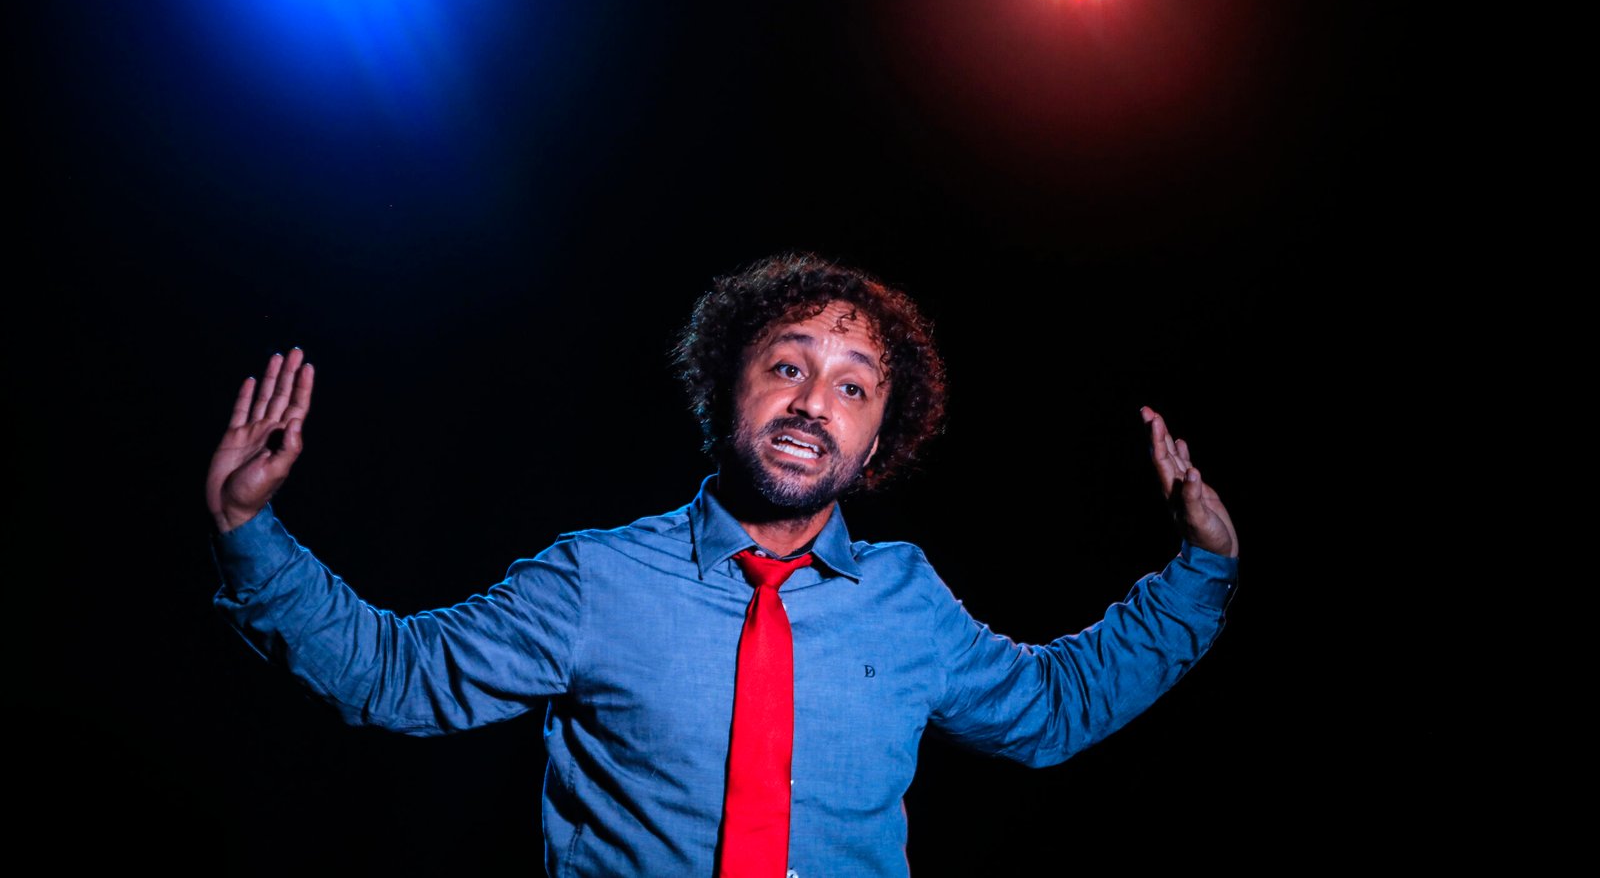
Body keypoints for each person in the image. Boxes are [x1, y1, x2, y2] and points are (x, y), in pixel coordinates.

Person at [207, 253, 1238, 877]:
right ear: (725, 388)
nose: (811, 402)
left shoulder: (908, 600)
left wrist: (1202, 567)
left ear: (877, 439)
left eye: (851, 387)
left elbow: (1052, 707)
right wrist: (250, 529)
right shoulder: (596, 579)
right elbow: (398, 675)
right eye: (786, 365)